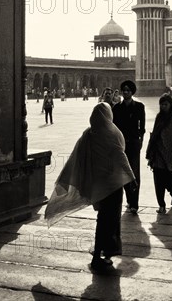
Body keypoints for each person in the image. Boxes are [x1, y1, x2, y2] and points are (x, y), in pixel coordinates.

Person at [44, 102, 136, 273]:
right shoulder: (113, 132)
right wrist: (131, 179)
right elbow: (120, 156)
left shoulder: (88, 134)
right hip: (112, 184)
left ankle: (101, 254)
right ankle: (103, 255)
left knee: (103, 220)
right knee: (110, 220)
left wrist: (67, 181)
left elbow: (76, 158)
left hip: (97, 186)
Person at [112, 80, 145, 214]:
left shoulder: (139, 106)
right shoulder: (117, 108)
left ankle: (135, 203)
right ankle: (129, 200)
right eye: (124, 90)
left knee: (134, 172)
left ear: (132, 92)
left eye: (128, 90)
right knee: (123, 172)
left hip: (133, 142)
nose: (125, 92)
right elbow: (113, 127)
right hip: (121, 144)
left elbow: (142, 126)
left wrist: (141, 140)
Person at [146, 93, 172, 214]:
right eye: (161, 104)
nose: (163, 107)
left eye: (165, 104)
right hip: (158, 154)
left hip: (170, 153)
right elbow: (155, 134)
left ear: (171, 105)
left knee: (170, 180)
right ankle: (161, 204)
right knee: (158, 181)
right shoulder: (159, 117)